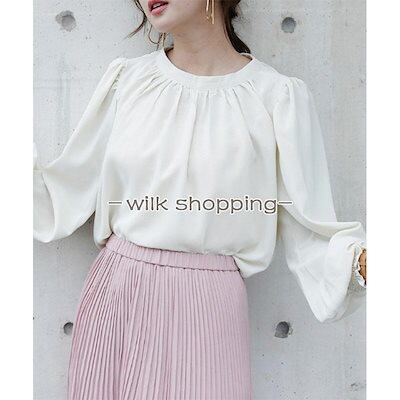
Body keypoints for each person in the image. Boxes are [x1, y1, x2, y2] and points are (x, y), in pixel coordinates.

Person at [33, 0, 367, 399]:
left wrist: (357, 261)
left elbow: (309, 226)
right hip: (117, 292)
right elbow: (66, 189)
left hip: (209, 305)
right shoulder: (129, 80)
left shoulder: (276, 97)